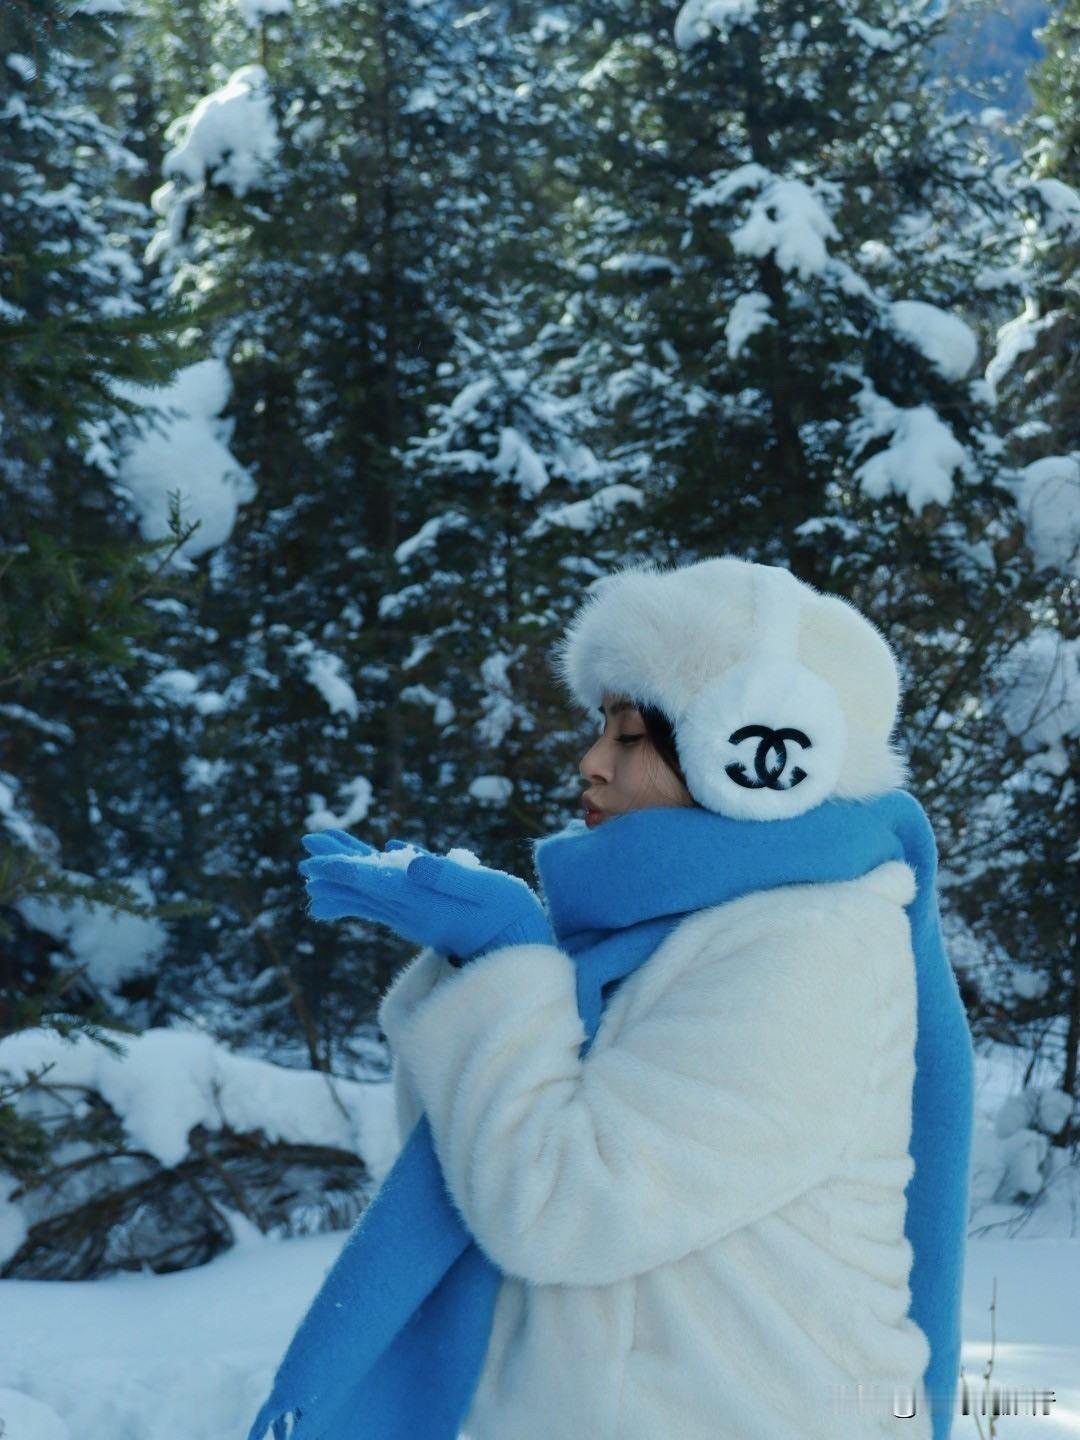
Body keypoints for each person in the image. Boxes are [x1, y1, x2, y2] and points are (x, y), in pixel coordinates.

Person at [248, 555, 974, 1440]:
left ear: (749, 747)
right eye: (601, 727)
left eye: (627, 735)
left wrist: (507, 961)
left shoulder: (810, 948)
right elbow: (472, 1167)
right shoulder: (657, 931)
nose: (590, 762)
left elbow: (562, 1209)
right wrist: (474, 969)